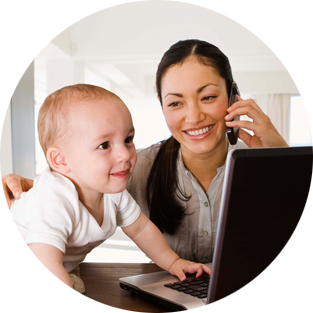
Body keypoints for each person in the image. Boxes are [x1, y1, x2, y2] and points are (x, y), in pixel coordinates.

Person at [0, 39, 288, 265]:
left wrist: (281, 162)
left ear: (233, 96)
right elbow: (72, 185)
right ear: (162, 106)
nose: (194, 116)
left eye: (209, 97)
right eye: (176, 103)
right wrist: (23, 186)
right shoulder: (134, 167)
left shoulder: (263, 164)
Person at [0, 84, 210, 312]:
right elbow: (45, 265)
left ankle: (9, 298)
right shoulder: (54, 198)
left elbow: (140, 229)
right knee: (49, 278)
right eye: (104, 145)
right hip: (7, 252)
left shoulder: (113, 192)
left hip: (27, 271)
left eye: (128, 139)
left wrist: (174, 262)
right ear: (61, 160)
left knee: (62, 287)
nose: (125, 154)